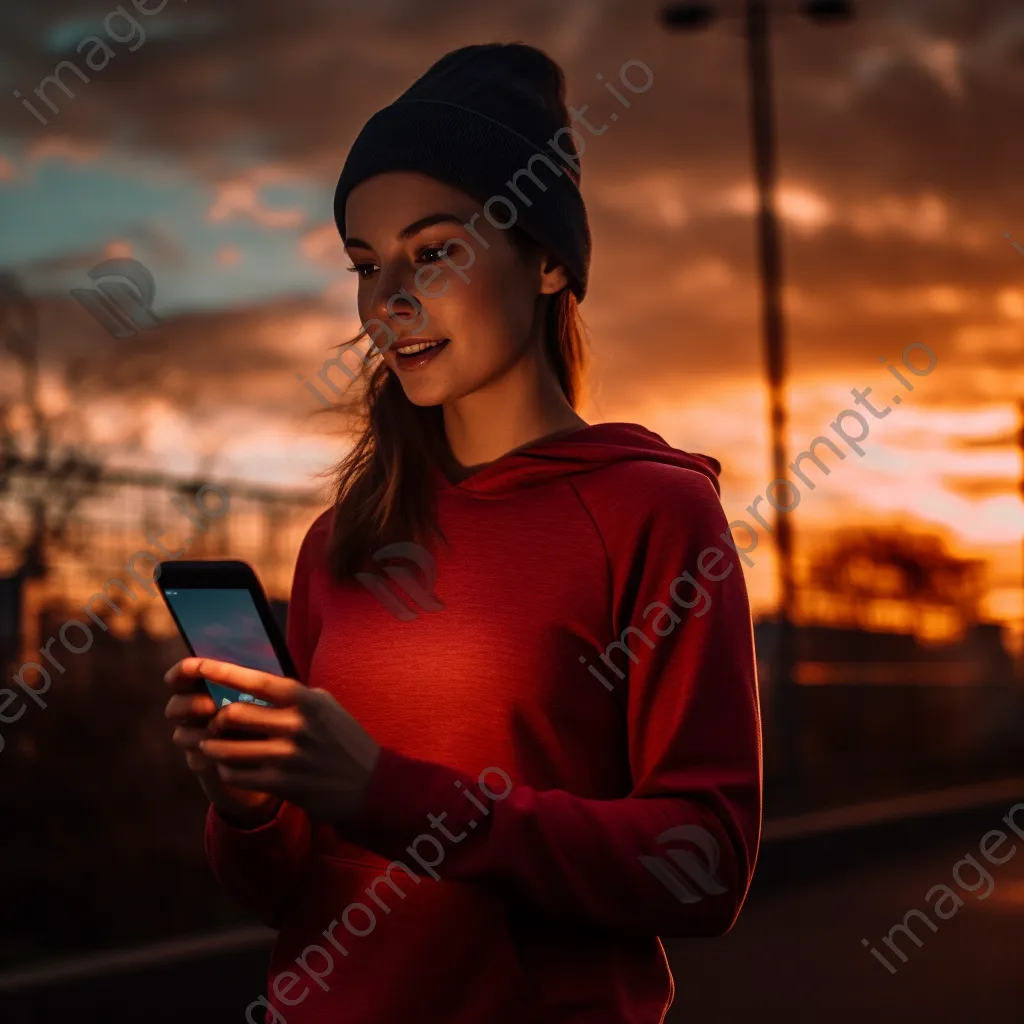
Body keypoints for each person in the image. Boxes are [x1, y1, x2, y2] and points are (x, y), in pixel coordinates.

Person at [164, 41, 762, 1024]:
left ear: (550, 261)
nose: (388, 300)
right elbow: (283, 892)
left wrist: (386, 792)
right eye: (366, 265)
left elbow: (704, 865)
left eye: (434, 248)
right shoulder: (341, 541)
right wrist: (249, 802)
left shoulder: (653, 511)